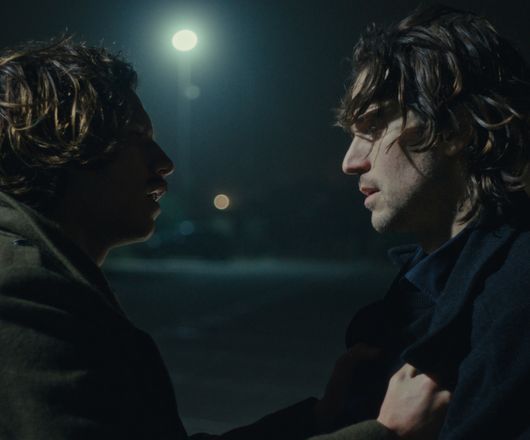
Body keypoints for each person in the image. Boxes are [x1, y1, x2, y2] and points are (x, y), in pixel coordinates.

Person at [0, 37, 448, 439]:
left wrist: (317, 421)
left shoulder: (46, 281)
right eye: (137, 138)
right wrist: (383, 435)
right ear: (65, 144)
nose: (164, 162)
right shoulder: (20, 296)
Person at [312, 4, 530, 439]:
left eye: (374, 126)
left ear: (455, 127)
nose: (350, 162)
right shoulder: (412, 293)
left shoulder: (516, 299)